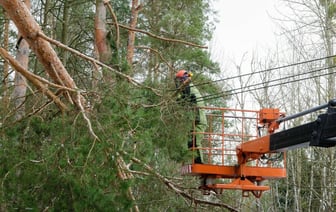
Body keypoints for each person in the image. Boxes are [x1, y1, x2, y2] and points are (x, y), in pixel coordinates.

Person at [175, 70, 207, 164]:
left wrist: (178, 97)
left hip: (199, 120)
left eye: (180, 81)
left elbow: (184, 100)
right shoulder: (187, 89)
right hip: (194, 120)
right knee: (190, 142)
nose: (179, 83)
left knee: (195, 141)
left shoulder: (190, 89)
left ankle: (200, 164)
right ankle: (195, 162)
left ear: (184, 79)